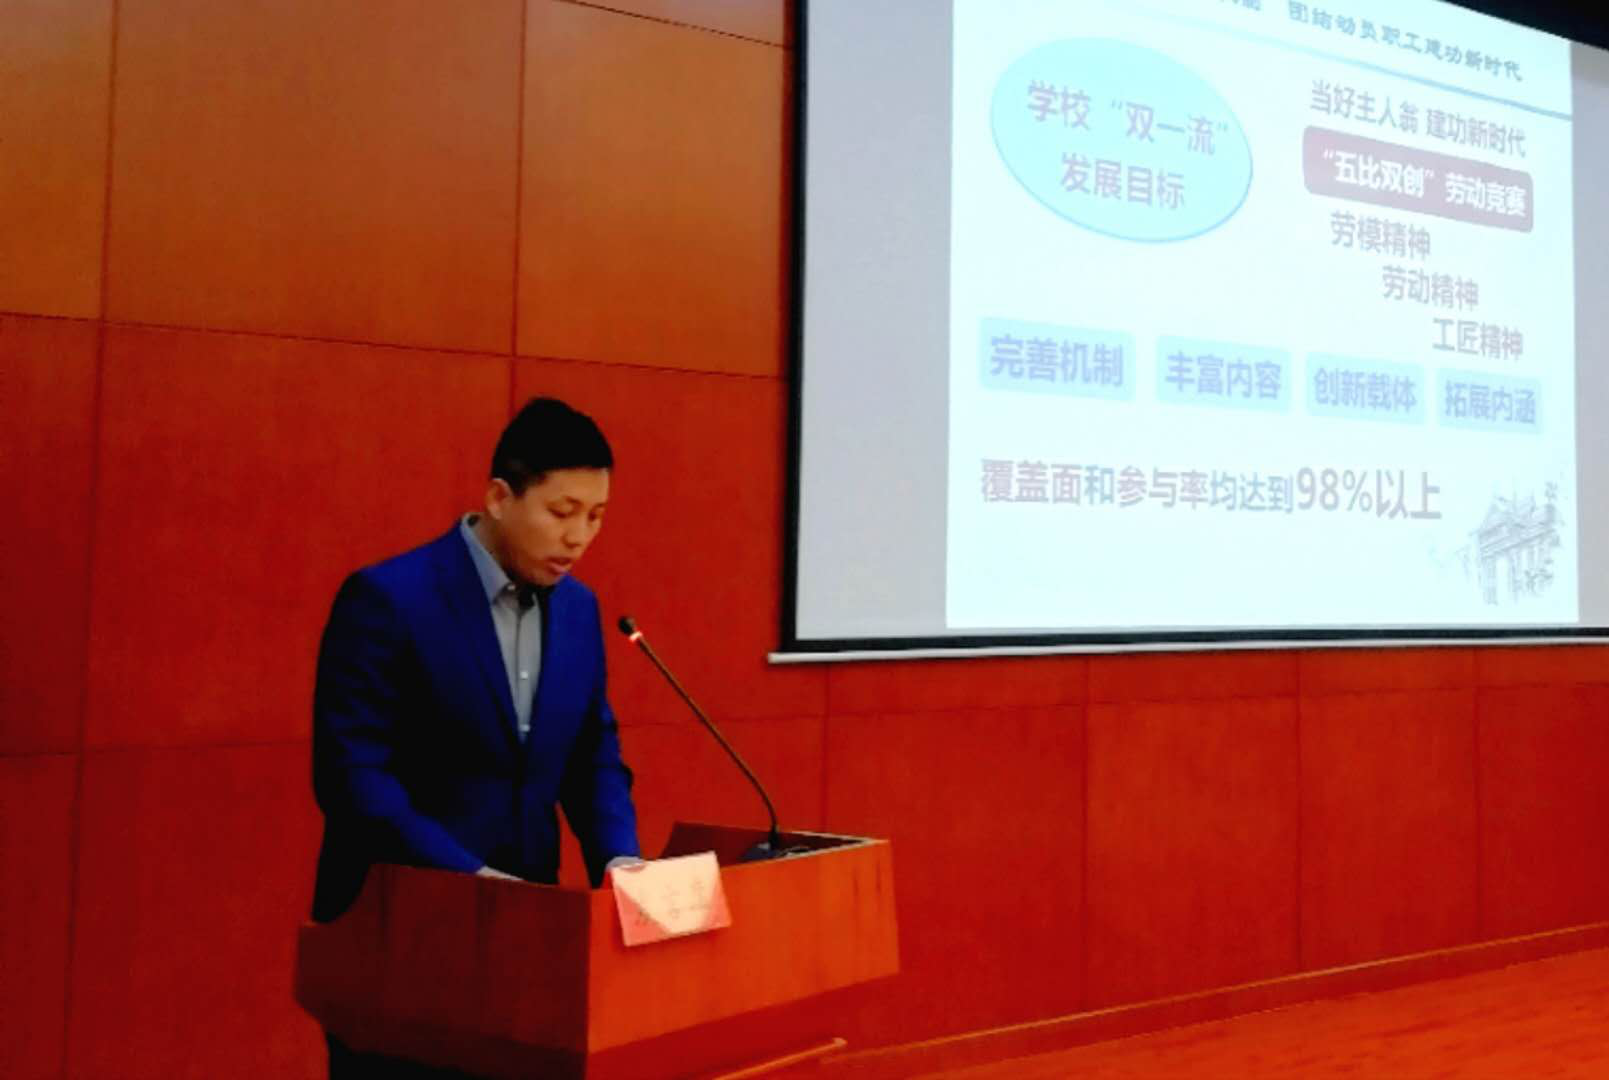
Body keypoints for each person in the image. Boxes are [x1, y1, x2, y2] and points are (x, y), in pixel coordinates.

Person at [310, 396, 642, 1077]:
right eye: (561, 512)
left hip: (529, 948)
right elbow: (352, 777)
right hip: (402, 940)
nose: (579, 537)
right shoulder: (390, 599)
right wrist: (473, 879)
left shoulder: (579, 610)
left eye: (596, 516)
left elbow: (592, 758)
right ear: (498, 497)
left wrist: (619, 859)